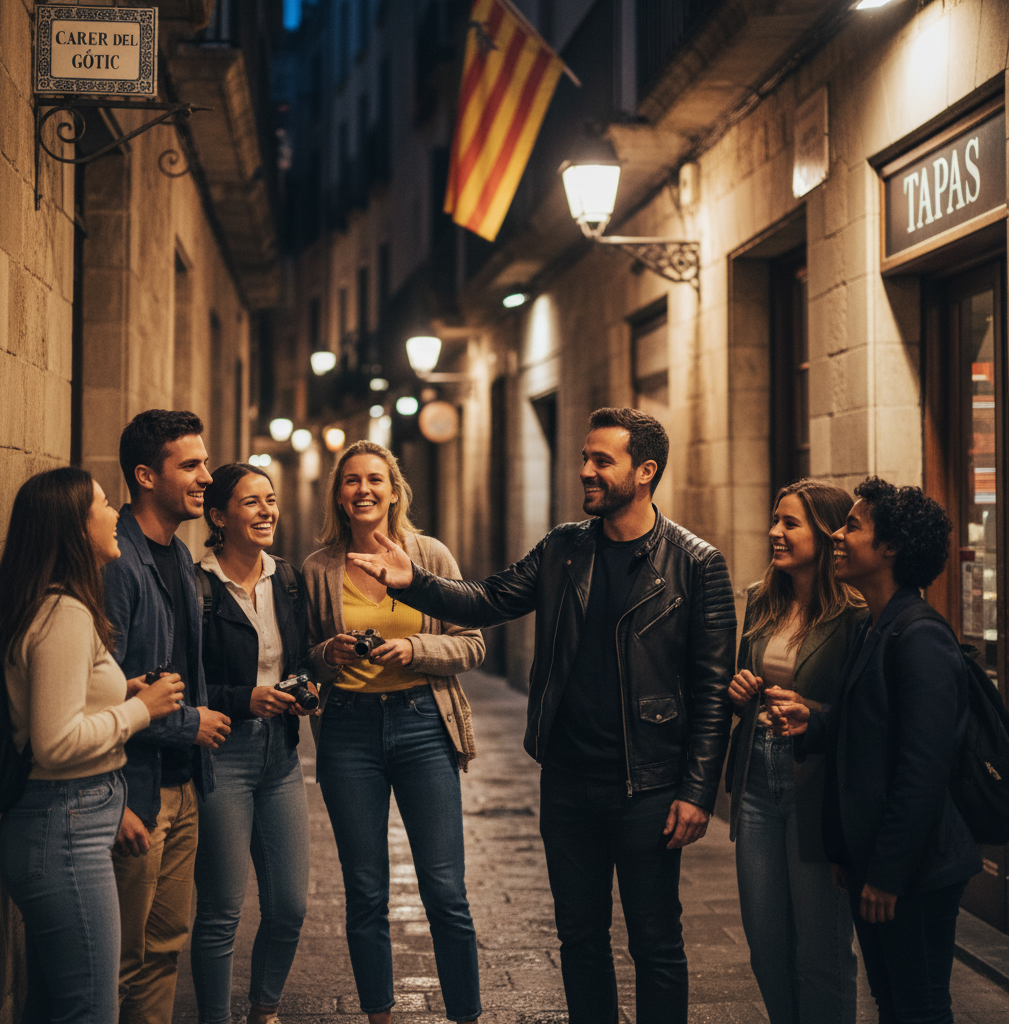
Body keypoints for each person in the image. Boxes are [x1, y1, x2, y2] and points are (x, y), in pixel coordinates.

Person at [350, 407, 737, 1024]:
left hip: (649, 784)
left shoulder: (696, 563)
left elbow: (713, 689)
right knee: (580, 939)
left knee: (656, 943)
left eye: (600, 461)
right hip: (567, 780)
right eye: (584, 457)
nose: (585, 470)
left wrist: (697, 792)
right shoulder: (564, 547)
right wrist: (413, 582)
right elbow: (488, 598)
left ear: (645, 471)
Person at [769, 477, 982, 1024]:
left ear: (889, 548)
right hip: (878, 858)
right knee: (893, 1001)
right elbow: (868, 730)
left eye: (852, 526)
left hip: (915, 867)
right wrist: (813, 723)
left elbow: (921, 770)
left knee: (919, 1005)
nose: (838, 535)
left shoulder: (921, 637)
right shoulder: (877, 627)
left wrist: (886, 873)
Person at [0, 468, 185, 1023]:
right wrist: (138, 711)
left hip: (66, 820)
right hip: (64, 824)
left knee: (54, 1006)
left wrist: (119, 690)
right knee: (90, 1011)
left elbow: (55, 701)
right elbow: (55, 742)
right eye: (103, 503)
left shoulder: (56, 606)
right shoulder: (65, 614)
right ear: (76, 528)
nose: (113, 513)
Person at [303, 440, 485, 1024]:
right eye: (352, 481)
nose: (364, 490)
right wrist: (326, 655)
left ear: (394, 490)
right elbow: (301, 664)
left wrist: (415, 648)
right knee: (365, 893)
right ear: (338, 494)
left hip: (423, 727)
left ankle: (464, 1013)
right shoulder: (317, 569)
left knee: (445, 891)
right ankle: (378, 1014)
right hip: (348, 734)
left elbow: (472, 639)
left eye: (375, 480)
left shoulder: (429, 555)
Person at [103, 409, 232, 1024]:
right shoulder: (117, 562)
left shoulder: (180, 558)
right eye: (192, 464)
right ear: (146, 475)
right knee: (118, 961)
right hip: (133, 791)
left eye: (204, 462)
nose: (207, 475)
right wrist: (192, 725)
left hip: (182, 788)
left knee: (163, 951)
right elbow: (100, 692)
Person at [725, 480, 864, 1024]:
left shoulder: (855, 616)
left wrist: (812, 710)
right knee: (765, 945)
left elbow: (863, 713)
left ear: (826, 535)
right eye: (774, 520)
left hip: (816, 784)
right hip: (758, 780)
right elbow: (744, 684)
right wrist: (739, 693)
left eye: (790, 523)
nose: (774, 532)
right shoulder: (763, 600)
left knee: (820, 952)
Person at [190, 463, 316, 1024]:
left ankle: (264, 1010)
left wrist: (309, 682)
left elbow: (301, 657)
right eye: (251, 503)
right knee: (220, 910)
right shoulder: (196, 586)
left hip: (282, 756)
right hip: (223, 758)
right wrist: (246, 699)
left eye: (271, 500)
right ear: (218, 516)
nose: (267, 511)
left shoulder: (286, 579)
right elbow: (185, 683)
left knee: (289, 905)